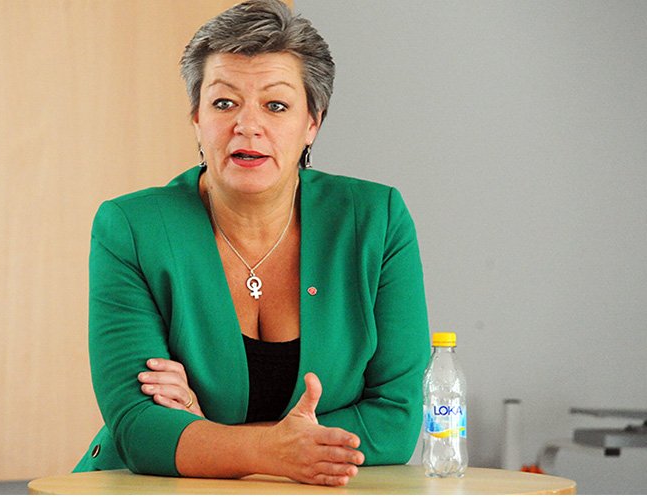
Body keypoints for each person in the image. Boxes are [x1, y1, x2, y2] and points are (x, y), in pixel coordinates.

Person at [74, 0, 429, 487]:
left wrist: (210, 436)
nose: (247, 125)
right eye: (224, 103)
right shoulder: (132, 227)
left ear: (312, 123)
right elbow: (139, 428)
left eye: (275, 106)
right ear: (196, 117)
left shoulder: (376, 219)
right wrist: (274, 450)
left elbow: (395, 420)